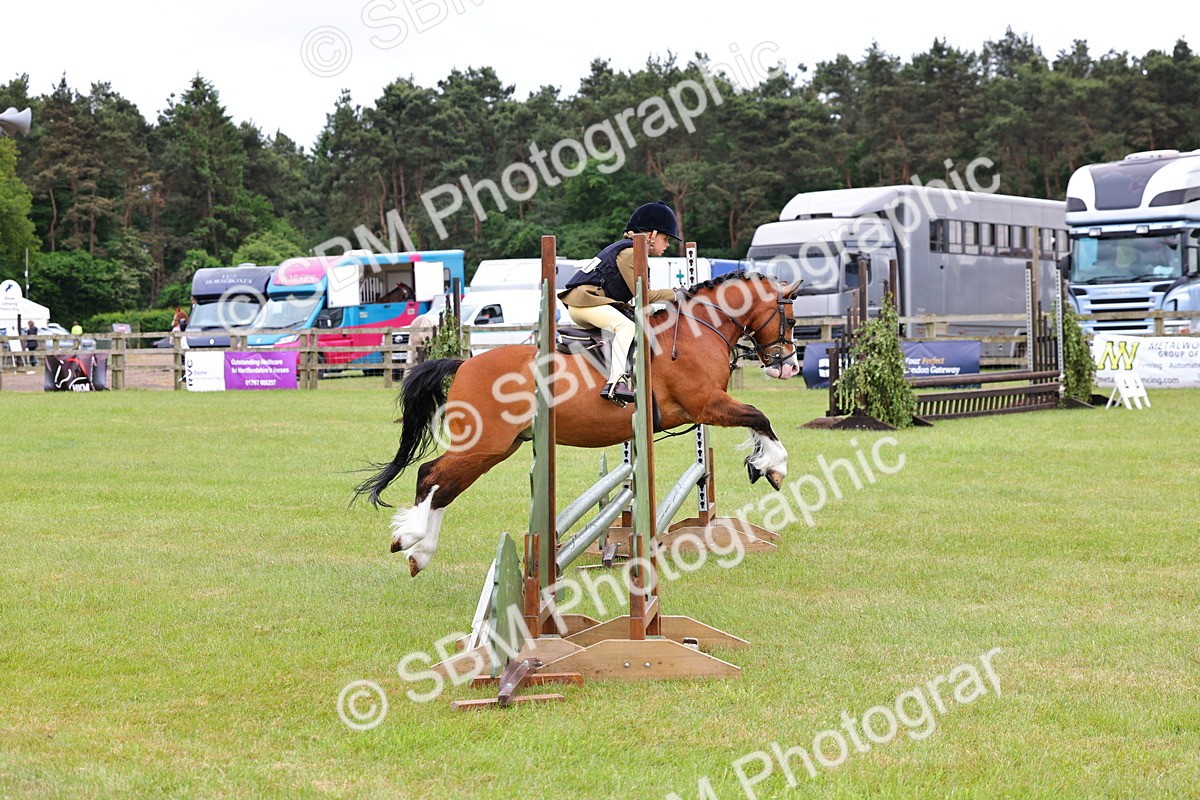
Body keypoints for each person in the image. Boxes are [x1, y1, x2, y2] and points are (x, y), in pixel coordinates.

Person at [558, 201, 685, 404]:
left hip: (589, 302)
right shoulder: (631, 253)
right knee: (626, 327)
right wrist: (676, 293)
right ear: (651, 234)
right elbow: (645, 295)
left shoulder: (630, 250)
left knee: (629, 323)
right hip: (586, 302)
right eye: (665, 238)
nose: (667, 244)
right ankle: (616, 382)